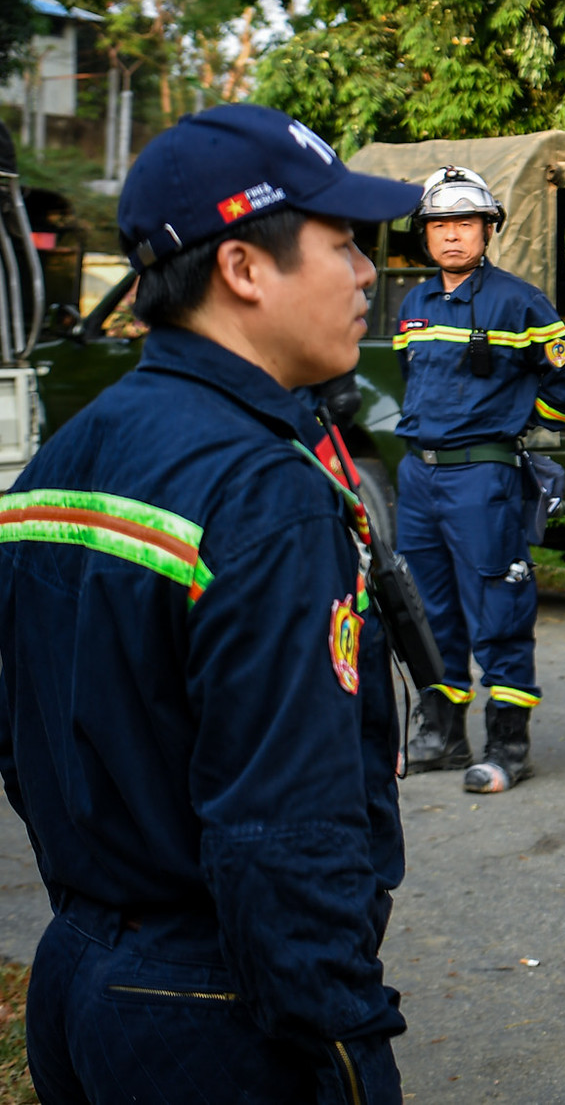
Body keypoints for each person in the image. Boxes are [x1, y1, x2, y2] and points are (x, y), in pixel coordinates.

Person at [0, 104, 415, 1099]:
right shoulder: (262, 491)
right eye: (342, 242)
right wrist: (343, 1032)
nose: (367, 273)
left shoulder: (70, 451)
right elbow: (284, 821)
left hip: (80, 969)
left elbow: (26, 738)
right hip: (212, 1000)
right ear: (241, 268)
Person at [395, 167, 565, 794]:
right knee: (424, 607)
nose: (452, 237)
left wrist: (511, 424)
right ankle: (442, 732)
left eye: (465, 224)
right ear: (424, 234)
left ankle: (507, 742)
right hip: (418, 476)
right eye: (440, 226)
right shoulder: (413, 303)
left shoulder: (519, 301)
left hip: (483, 476)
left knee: (497, 603)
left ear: (488, 230)